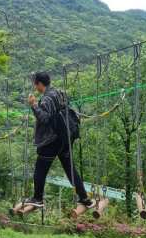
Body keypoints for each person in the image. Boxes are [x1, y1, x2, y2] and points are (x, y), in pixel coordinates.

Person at [24, 72, 94, 209]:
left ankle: (37, 198)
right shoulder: (59, 93)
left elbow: (43, 118)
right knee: (70, 168)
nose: (34, 87)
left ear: (39, 84)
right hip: (65, 137)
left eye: (35, 84)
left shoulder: (46, 99)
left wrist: (33, 105)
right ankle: (85, 198)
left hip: (52, 139)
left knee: (40, 169)